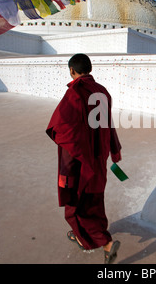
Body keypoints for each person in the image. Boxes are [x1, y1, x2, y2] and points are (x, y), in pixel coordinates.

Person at [46, 53, 122, 264]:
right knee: (95, 200)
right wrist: (114, 150)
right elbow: (108, 125)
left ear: (72, 70)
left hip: (82, 159)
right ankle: (82, 238)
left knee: (76, 204)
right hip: (100, 157)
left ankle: (106, 243)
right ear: (89, 69)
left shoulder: (75, 93)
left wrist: (70, 163)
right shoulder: (103, 92)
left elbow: (62, 129)